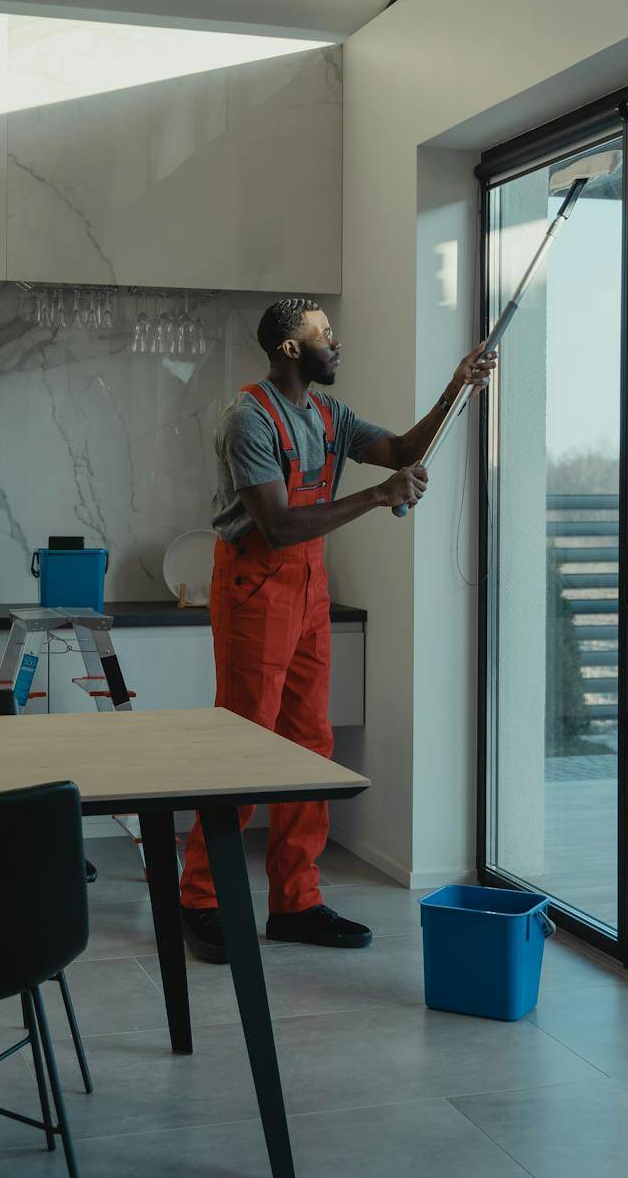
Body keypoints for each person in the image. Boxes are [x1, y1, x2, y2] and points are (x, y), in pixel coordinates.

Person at [177, 296, 498, 962]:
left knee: (308, 744)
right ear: (290, 348)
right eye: (325, 335)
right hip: (255, 585)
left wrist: (457, 383)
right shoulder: (249, 419)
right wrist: (380, 496)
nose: (337, 343)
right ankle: (202, 899)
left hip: (309, 586)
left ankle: (295, 900)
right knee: (243, 746)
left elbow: (405, 448)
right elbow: (278, 525)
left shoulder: (328, 414)